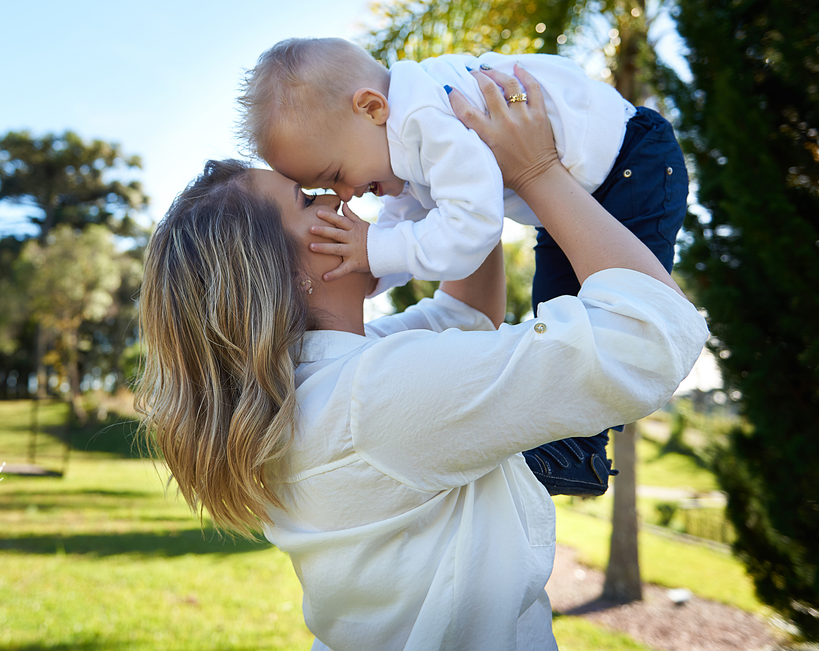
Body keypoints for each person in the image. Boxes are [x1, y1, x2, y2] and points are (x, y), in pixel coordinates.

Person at [137, 67, 707, 650]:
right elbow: (648, 337)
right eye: (309, 199)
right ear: (287, 274)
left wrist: (453, 176)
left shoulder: (316, 389)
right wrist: (537, 172)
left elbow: (465, 319)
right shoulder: (371, 396)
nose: (342, 197)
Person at [235, 37, 689, 496]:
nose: (345, 195)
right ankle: (580, 451)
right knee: (556, 299)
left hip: (631, 163)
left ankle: (580, 448)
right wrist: (378, 268)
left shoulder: (424, 119)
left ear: (371, 108)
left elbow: (471, 226)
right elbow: (409, 221)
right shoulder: (403, 136)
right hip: (585, 186)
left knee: (622, 299)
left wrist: (375, 250)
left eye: (333, 176)